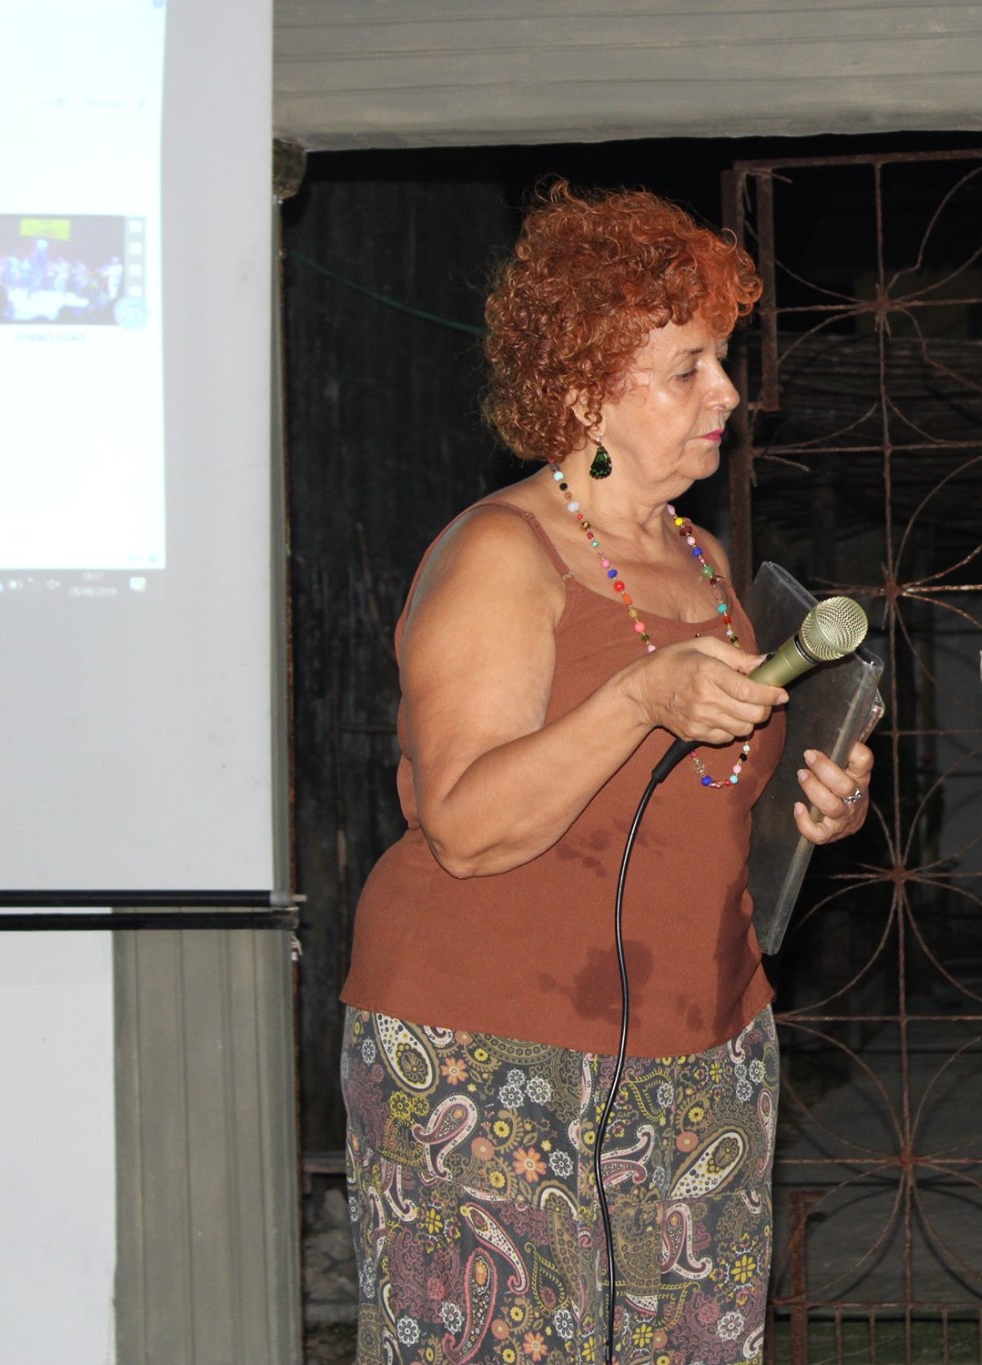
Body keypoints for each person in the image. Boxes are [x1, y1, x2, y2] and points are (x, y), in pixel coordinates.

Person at [341, 182, 875, 1365]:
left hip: (706, 1041)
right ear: (585, 391)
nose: (725, 394)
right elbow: (464, 825)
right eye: (687, 369)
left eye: (720, 361)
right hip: (487, 1045)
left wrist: (818, 804)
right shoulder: (502, 552)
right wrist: (635, 697)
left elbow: (703, 793)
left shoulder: (700, 556)